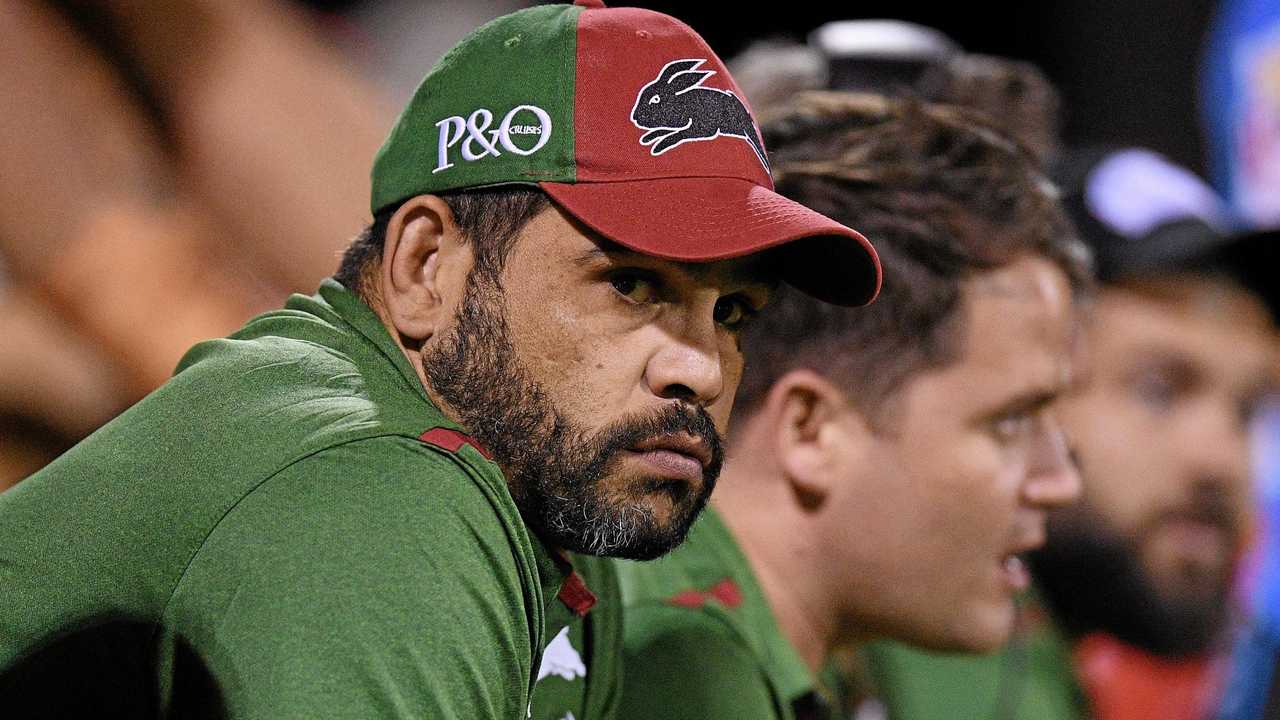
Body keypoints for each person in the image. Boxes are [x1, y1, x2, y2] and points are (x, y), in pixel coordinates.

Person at [0, 3, 880, 719]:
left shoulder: (547, 489)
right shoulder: (374, 499)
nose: (702, 369)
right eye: (630, 286)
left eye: (731, 312)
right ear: (427, 266)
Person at [614, 91, 1089, 720]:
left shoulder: (754, 652)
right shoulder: (684, 673)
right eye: (1010, 421)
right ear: (812, 431)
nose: (1060, 480)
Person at [869, 147, 1280, 720]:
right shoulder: (899, 630)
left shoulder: (1044, 666)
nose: (1221, 460)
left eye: (1248, 410)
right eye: (1158, 390)